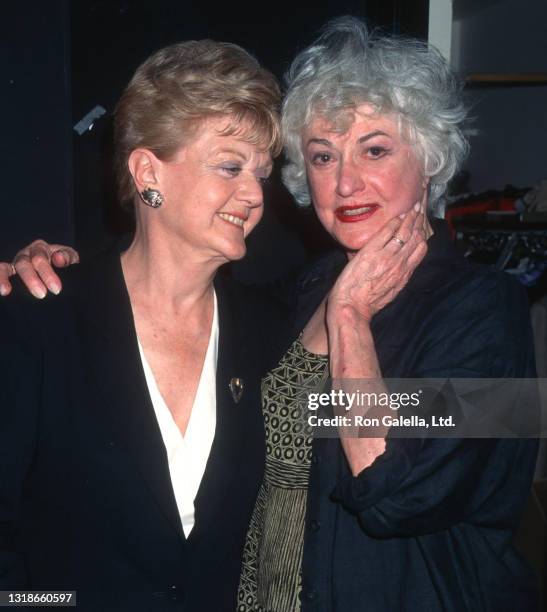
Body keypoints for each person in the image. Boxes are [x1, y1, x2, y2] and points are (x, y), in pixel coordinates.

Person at [1, 17, 538, 612]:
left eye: (376, 149)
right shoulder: (293, 300)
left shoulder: (491, 317)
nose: (346, 181)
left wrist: (353, 320)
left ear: (431, 160)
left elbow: (394, 489)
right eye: (322, 155)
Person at [0, 38, 296, 611]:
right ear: (146, 172)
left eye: (263, 173)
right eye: (231, 166)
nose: (255, 195)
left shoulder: (271, 334)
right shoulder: (39, 321)